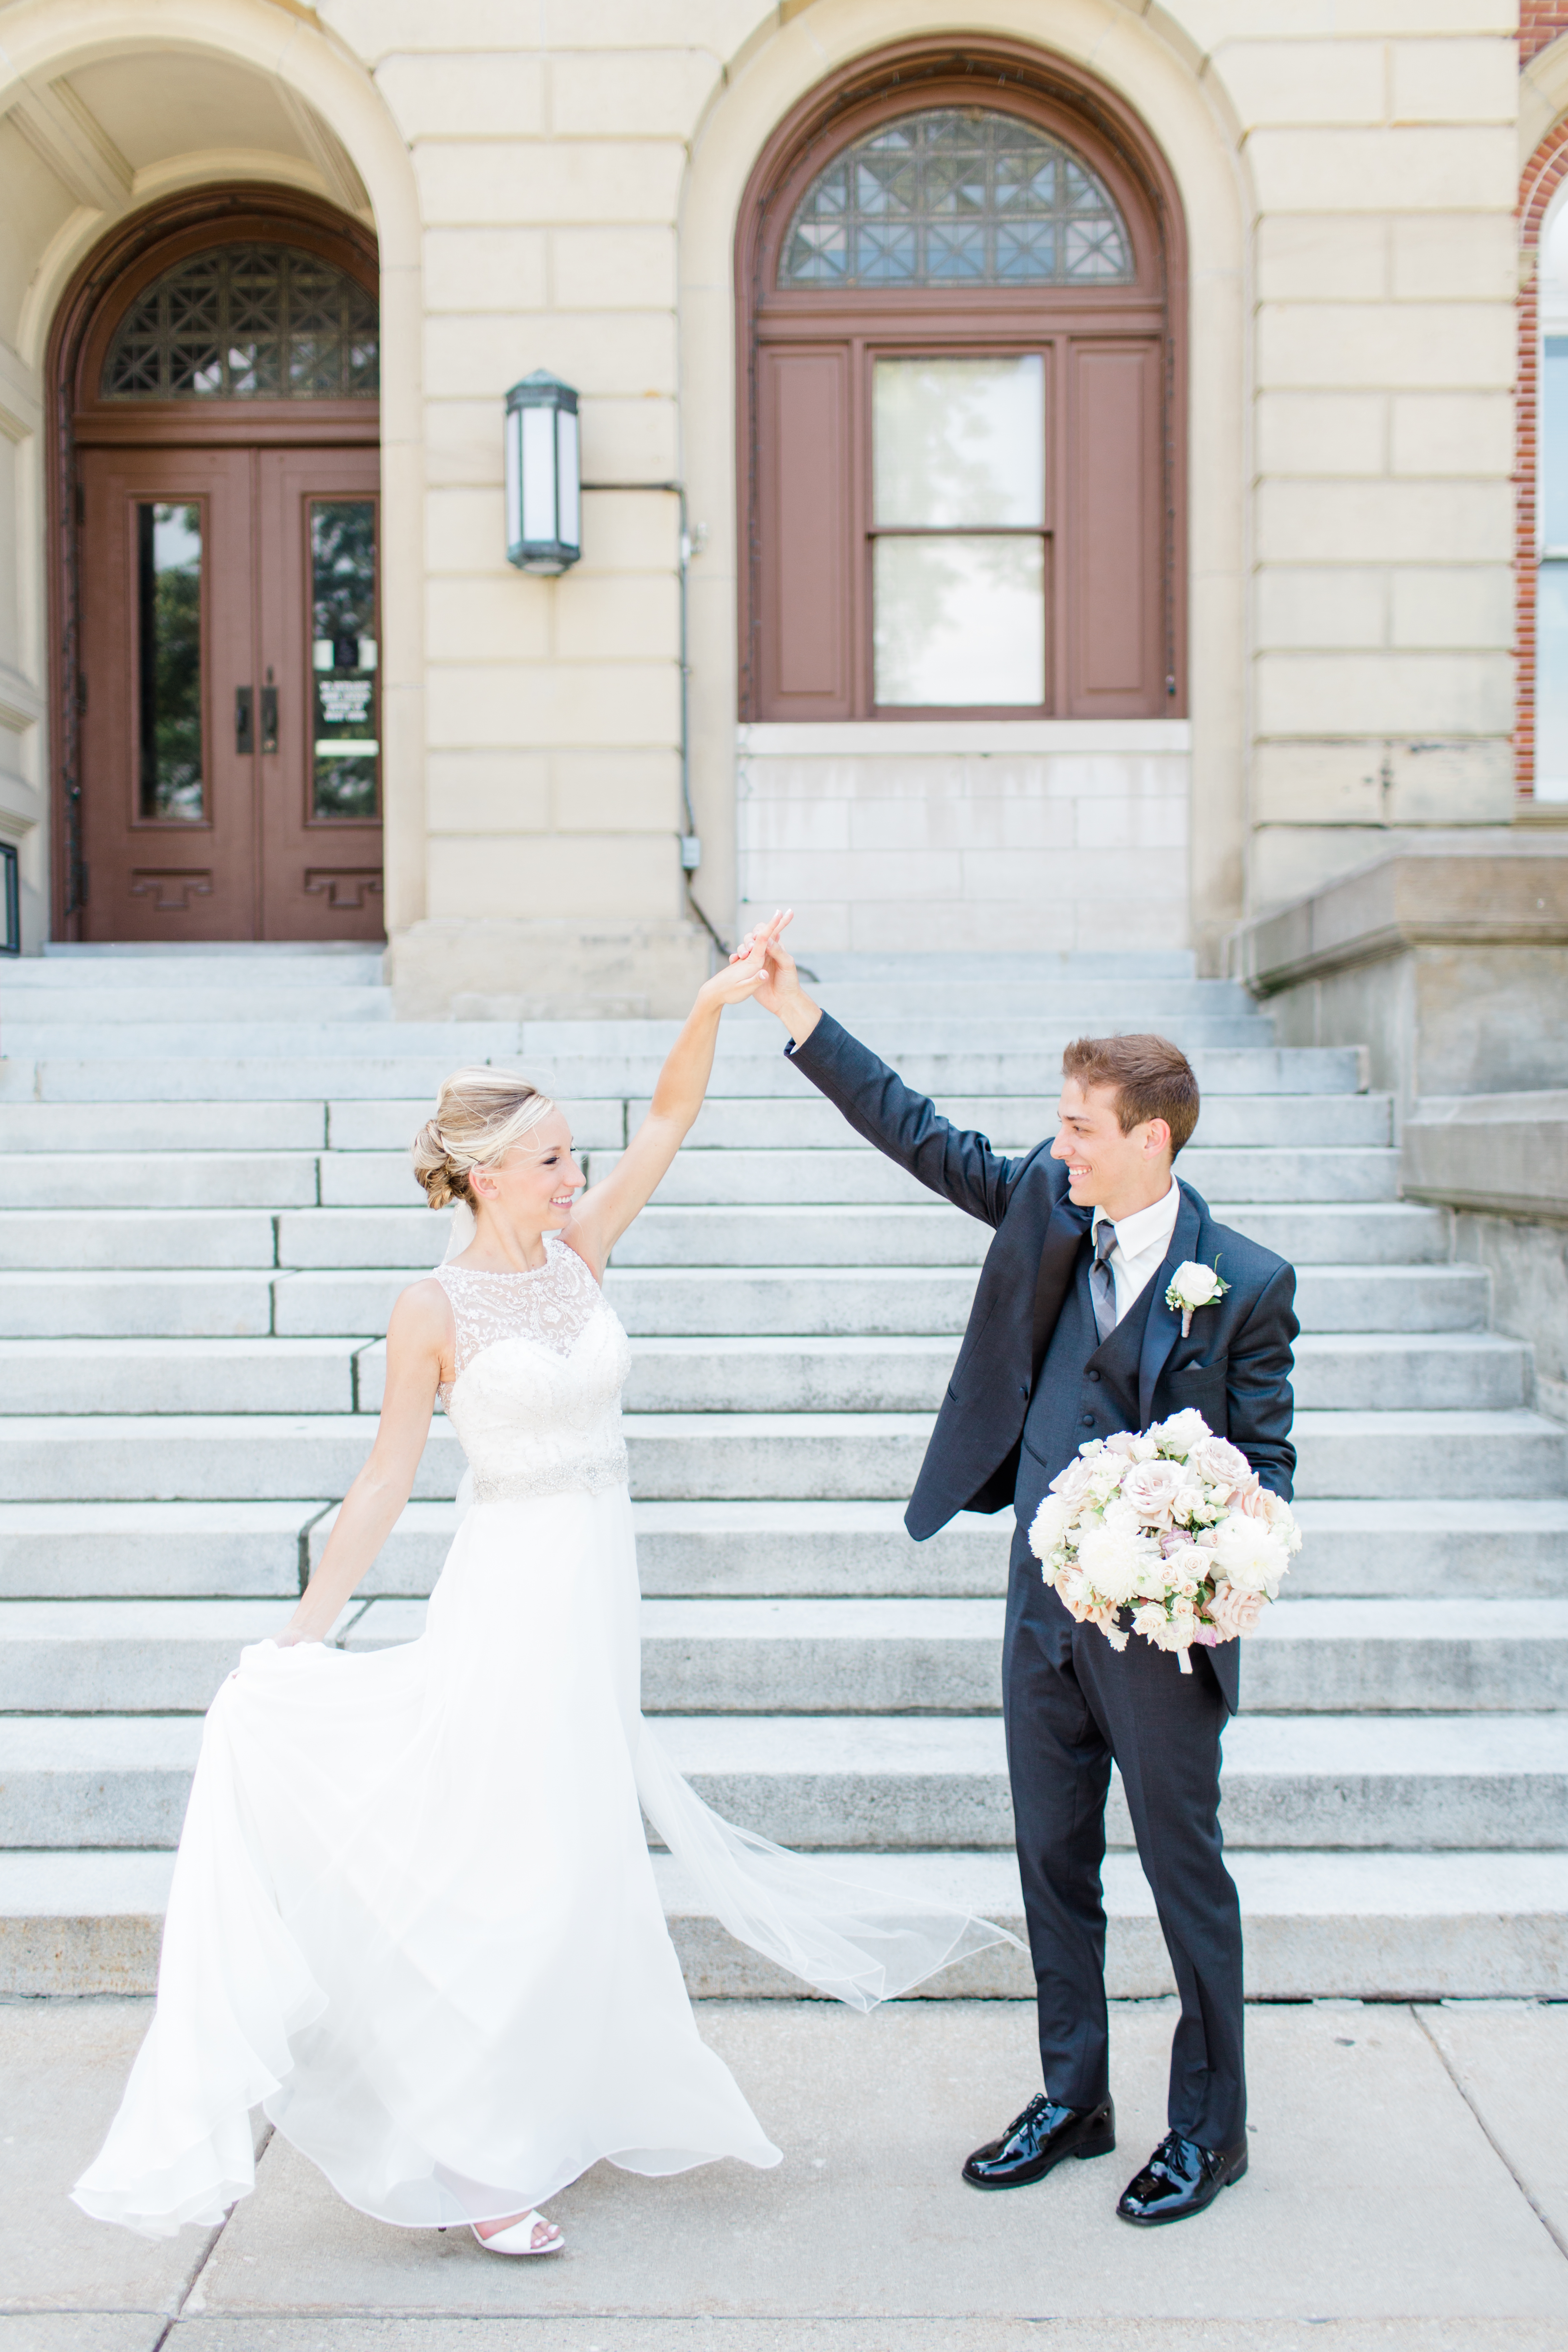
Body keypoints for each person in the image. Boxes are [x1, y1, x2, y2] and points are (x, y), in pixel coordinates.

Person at [73, 920, 1014, 2252]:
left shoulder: (584, 1251)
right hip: (508, 1599)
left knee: (573, 1863)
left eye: (575, 1155)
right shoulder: (432, 1308)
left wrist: (711, 1004)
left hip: (595, 1599)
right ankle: (481, 2159)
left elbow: (671, 1118)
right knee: (503, 1870)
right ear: (484, 1175)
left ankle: (551, 2101)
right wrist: (301, 1632)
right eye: (555, 1158)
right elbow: (384, 1482)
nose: (577, 1174)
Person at [741, 915, 1297, 2229]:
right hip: (1039, 1612)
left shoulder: (1243, 1283)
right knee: (1052, 1860)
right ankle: (1072, 2096)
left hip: (1159, 1640)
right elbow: (921, 1133)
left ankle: (1207, 2129)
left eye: (1080, 1128)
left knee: (1183, 1874)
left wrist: (1193, 1554)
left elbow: (1264, 1472)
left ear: (1148, 1138)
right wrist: (796, 1010)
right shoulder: (1047, 1206)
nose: (1060, 1146)